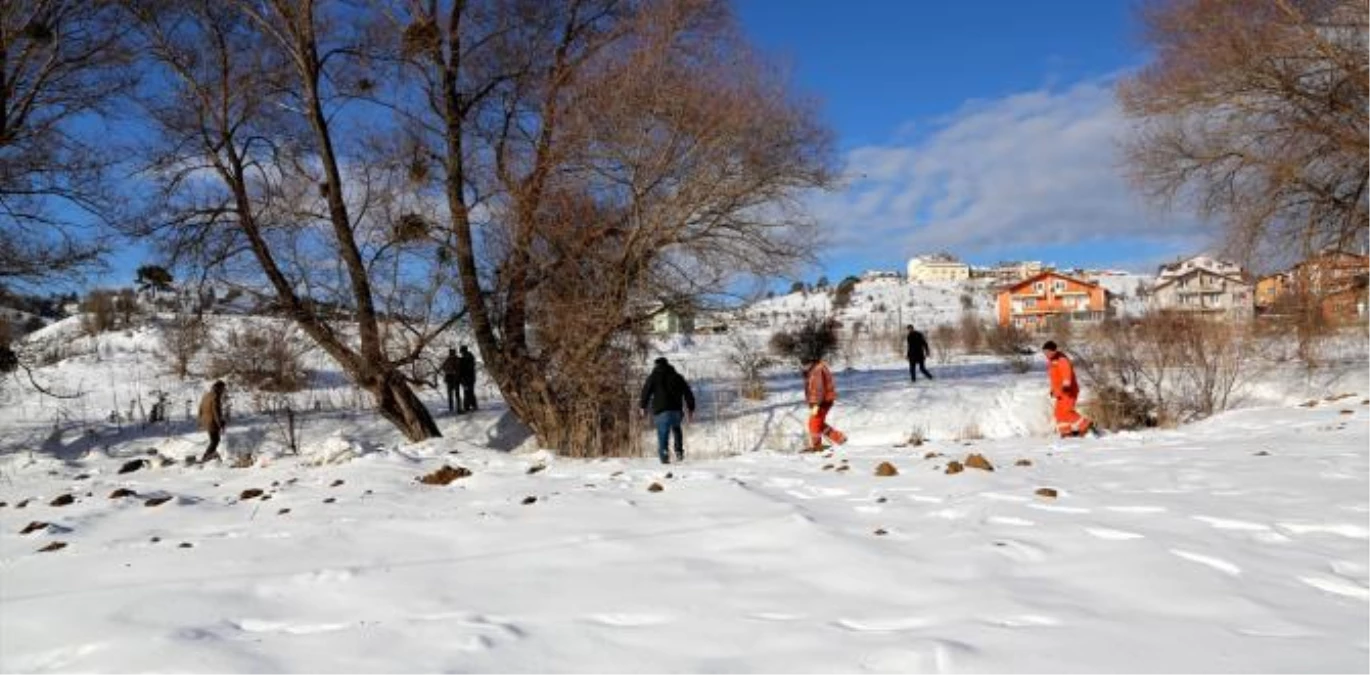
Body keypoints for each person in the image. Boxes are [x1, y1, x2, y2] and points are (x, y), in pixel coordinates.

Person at [638, 357, 696, 464]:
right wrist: (690, 408)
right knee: (676, 428)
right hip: (676, 410)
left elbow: (645, 392)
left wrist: (643, 406)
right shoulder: (677, 377)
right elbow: (688, 392)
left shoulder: (653, 377)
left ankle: (664, 454)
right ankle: (679, 451)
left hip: (661, 410)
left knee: (663, 432)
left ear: (656, 365)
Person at [1043, 340, 1093, 438]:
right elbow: (1055, 378)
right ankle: (1066, 432)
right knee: (1058, 413)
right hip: (1060, 392)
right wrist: (1053, 390)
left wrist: (1066, 385)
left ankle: (1086, 425)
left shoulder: (1062, 359)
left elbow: (1067, 373)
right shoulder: (1051, 361)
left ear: (1054, 351)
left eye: (1048, 352)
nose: (1046, 354)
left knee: (1066, 411)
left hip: (1069, 391)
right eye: (1044, 352)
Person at [803, 355, 847, 451]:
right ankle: (839, 438)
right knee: (818, 423)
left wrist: (817, 404)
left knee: (813, 424)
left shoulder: (817, 369)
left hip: (822, 401)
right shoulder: (814, 368)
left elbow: (820, 389)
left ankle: (817, 447)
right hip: (819, 401)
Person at [197, 380, 227, 462]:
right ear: (219, 388)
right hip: (212, 422)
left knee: (214, 440)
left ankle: (209, 456)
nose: (223, 391)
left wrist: (200, 420)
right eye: (223, 388)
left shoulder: (206, 395)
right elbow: (216, 412)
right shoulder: (215, 396)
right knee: (215, 440)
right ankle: (206, 457)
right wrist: (220, 423)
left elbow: (200, 408)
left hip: (206, 421)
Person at [440, 347, 462, 414]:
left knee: (453, 395)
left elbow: (443, 368)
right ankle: (455, 408)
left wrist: (450, 371)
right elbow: (443, 368)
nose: (451, 354)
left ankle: (454, 408)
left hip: (452, 379)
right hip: (452, 379)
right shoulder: (454, 359)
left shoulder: (452, 360)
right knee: (455, 395)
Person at [458, 345, 478, 412]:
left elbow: (467, 369)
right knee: (469, 392)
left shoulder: (468, 358)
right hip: (469, 378)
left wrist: (463, 377)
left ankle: (468, 407)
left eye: (462, 352)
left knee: (467, 392)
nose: (461, 353)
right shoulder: (468, 357)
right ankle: (472, 406)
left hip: (468, 378)